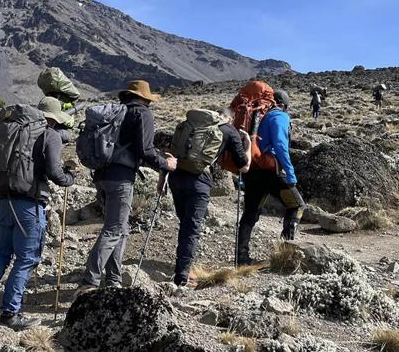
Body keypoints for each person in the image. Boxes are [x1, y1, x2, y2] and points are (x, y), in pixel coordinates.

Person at [0, 97, 75, 330]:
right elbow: (55, 173)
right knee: (26, 259)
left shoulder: (14, 130)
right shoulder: (50, 135)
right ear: (54, 119)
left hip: (4, 201)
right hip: (29, 205)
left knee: (3, 253)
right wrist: (69, 178)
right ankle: (10, 314)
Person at [75, 80, 177, 297]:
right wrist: (165, 164)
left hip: (102, 176)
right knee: (114, 229)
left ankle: (113, 279)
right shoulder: (142, 114)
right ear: (144, 97)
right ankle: (88, 282)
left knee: (120, 228)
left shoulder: (116, 113)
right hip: (121, 179)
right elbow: (145, 151)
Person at [163, 108, 251, 287]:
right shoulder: (229, 130)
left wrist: (161, 179)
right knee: (192, 227)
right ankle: (183, 276)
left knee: (185, 222)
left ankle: (183, 265)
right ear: (230, 119)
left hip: (176, 177)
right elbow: (244, 167)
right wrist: (247, 144)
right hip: (199, 181)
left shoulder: (190, 125)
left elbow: (171, 151)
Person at [237, 90, 305, 266]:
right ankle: (284, 255)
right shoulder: (279, 116)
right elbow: (281, 145)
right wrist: (290, 173)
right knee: (297, 205)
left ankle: (241, 258)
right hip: (270, 171)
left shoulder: (260, 116)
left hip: (253, 169)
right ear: (284, 105)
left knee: (250, 213)